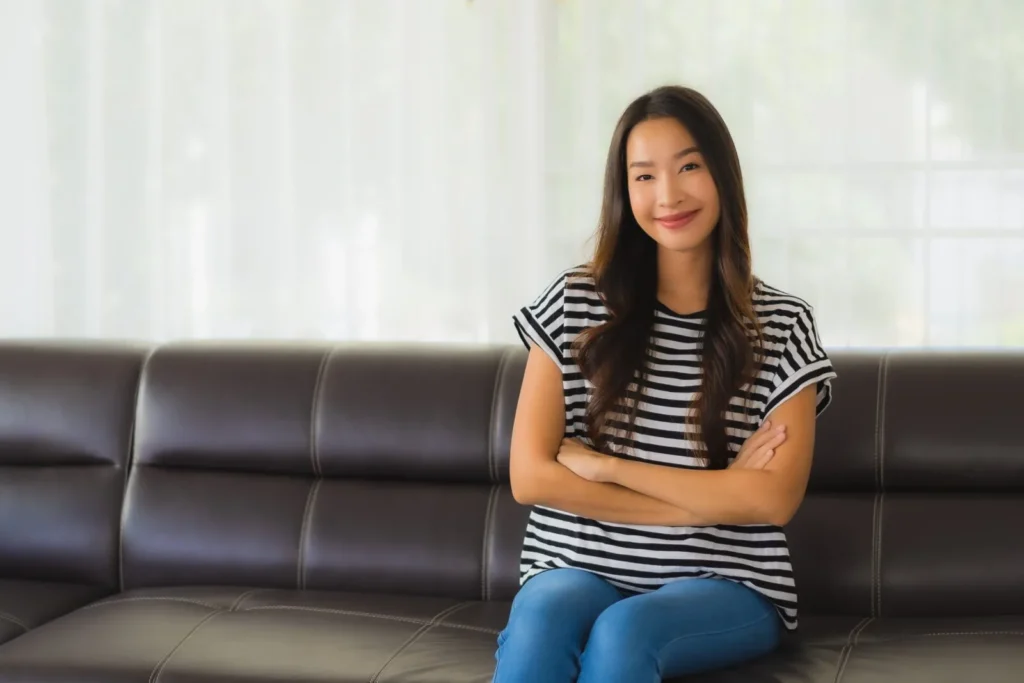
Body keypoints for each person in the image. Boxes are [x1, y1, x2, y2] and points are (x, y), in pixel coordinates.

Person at [494, 85, 838, 683]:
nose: (669, 194)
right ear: (624, 193)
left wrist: (609, 467)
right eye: (644, 176)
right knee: (542, 618)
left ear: (722, 175)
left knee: (625, 633)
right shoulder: (574, 305)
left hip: (725, 579)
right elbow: (530, 477)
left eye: (688, 167)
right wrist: (710, 498)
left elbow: (772, 500)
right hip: (577, 564)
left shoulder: (781, 325)